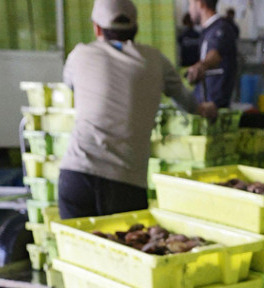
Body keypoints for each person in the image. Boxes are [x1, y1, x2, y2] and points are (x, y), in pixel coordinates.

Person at [58, 0, 217, 220]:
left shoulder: (79, 55)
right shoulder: (156, 60)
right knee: (125, 250)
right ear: (136, 28)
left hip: (76, 175)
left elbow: (69, 86)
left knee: (75, 251)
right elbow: (187, 103)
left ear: (96, 28)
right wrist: (204, 108)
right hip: (126, 182)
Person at [186, 0, 238, 108]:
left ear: (200, 3)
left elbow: (215, 54)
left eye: (190, 4)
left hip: (214, 107)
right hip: (203, 102)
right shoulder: (208, 30)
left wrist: (202, 66)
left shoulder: (221, 29)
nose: (189, 9)